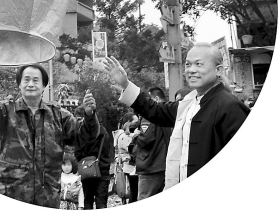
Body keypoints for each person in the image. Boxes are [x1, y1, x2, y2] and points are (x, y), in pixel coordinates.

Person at [104, 42, 250, 190]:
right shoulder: (188, 104)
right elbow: (154, 110)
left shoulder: (230, 107)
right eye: (188, 64)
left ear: (218, 70)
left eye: (199, 64)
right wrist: (125, 84)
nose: (191, 70)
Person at [0, 63, 99, 208]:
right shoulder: (6, 112)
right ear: (19, 84)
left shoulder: (59, 116)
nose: (30, 84)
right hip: (10, 195)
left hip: (46, 197)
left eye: (35, 80)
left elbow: (84, 137)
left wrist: (89, 115)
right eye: (26, 79)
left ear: (43, 86)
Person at [132, 87, 172, 200]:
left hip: (150, 166)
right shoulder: (169, 113)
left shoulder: (150, 116)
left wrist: (135, 137)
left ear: (156, 99)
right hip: (163, 164)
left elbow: (146, 139)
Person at [74, 107, 111, 209]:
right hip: (102, 169)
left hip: (87, 170)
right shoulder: (103, 132)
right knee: (101, 202)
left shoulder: (80, 134)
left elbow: (77, 153)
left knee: (87, 200)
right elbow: (107, 150)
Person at [113, 112, 138, 204]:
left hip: (131, 167)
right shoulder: (124, 136)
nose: (137, 124)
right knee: (134, 194)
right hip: (130, 167)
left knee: (134, 193)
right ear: (128, 122)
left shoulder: (124, 135)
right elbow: (133, 150)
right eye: (135, 122)